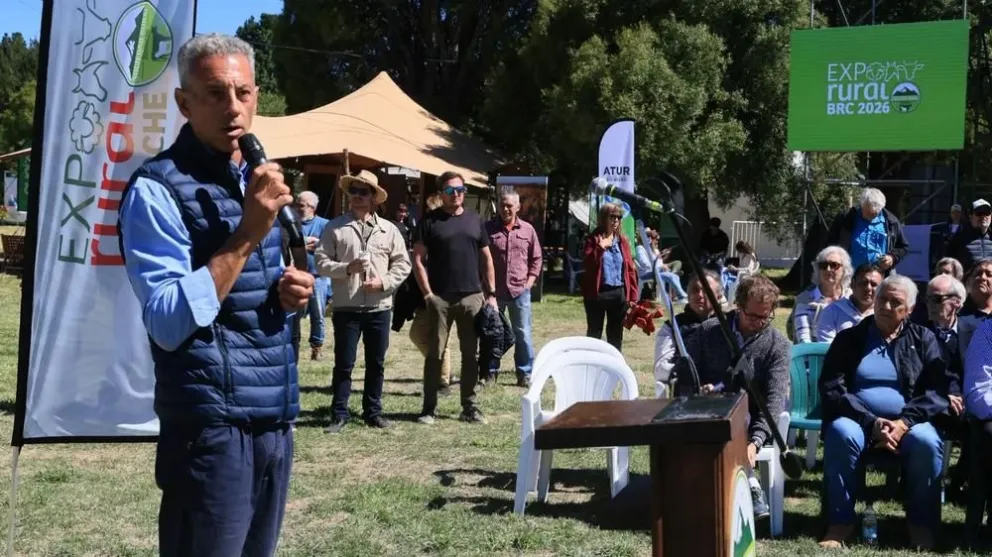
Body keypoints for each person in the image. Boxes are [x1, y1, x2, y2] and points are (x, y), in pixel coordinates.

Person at [118, 34, 314, 557]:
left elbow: (244, 293)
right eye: (215, 93)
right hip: (210, 430)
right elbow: (167, 321)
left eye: (243, 93)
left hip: (273, 416)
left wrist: (287, 293)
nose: (233, 107)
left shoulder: (254, 181)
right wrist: (248, 232)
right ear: (184, 104)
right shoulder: (156, 189)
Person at [818, 274, 952, 550]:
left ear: (910, 309)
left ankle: (920, 525)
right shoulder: (850, 338)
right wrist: (871, 423)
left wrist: (903, 423)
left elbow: (936, 391)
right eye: (882, 299)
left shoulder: (923, 339)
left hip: (909, 422)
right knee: (841, 433)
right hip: (857, 419)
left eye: (895, 302)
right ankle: (840, 522)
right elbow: (832, 388)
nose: (885, 306)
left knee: (927, 442)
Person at [674, 274, 791, 520]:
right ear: (738, 306)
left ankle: (739, 489)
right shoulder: (709, 331)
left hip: (751, 419)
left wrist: (756, 441)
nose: (759, 323)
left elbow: (774, 400)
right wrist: (699, 389)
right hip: (707, 411)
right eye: (752, 316)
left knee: (739, 416)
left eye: (765, 317)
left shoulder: (777, 346)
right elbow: (685, 375)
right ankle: (751, 486)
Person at [315, 170, 411, 433]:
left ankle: (373, 412)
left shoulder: (389, 230)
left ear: (374, 198)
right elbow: (321, 263)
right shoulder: (334, 227)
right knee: (344, 363)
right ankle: (339, 414)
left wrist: (384, 283)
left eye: (363, 192)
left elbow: (403, 264)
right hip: (346, 306)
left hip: (379, 307)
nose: (357, 196)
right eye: (353, 191)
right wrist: (347, 268)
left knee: (376, 363)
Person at [413, 171, 497, 425]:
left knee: (471, 355)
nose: (456, 194)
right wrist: (428, 295)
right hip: (440, 299)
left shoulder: (475, 220)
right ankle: (429, 408)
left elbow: (486, 258)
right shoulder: (429, 222)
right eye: (450, 190)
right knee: (435, 354)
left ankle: (469, 407)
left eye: (460, 189)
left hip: (472, 298)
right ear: (441, 194)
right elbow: (418, 260)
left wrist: (491, 294)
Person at [398, 194, 456, 394]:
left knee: (441, 338)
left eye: (433, 210)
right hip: (427, 294)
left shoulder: (448, 234)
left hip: (445, 293)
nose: (429, 215)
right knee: (417, 334)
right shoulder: (426, 232)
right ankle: (442, 369)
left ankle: (443, 382)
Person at [485, 191, 543, 387]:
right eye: (502, 205)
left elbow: (536, 258)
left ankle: (524, 373)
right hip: (494, 292)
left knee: (523, 333)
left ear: (518, 207)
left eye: (510, 205)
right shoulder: (488, 229)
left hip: (520, 291)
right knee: (492, 332)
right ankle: (490, 371)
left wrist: (529, 282)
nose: (505, 209)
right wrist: (486, 288)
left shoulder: (528, 230)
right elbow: (480, 259)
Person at [653, 270, 724, 397]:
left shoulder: (728, 325)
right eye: (695, 290)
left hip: (723, 394)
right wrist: (688, 375)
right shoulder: (673, 326)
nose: (699, 295)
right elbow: (660, 369)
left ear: (718, 296)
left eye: (706, 290)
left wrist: (717, 386)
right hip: (686, 396)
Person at [581, 203, 638, 351]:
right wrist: (600, 247)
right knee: (594, 333)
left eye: (618, 217)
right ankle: (591, 362)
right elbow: (587, 264)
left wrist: (632, 296)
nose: (616, 220)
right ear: (603, 218)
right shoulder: (593, 240)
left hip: (618, 294)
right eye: (612, 217)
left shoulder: (622, 241)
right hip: (597, 294)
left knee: (616, 335)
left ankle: (615, 362)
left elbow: (630, 269)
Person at [826, 187, 908, 274]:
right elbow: (831, 243)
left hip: (880, 275)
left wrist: (892, 257)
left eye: (875, 214)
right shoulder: (846, 218)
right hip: (850, 274)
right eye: (868, 212)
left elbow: (903, 247)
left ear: (881, 208)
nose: (871, 216)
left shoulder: (891, 222)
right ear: (861, 206)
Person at [788, 246, 853, 343]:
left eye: (834, 265)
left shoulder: (852, 298)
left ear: (844, 270)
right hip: (815, 351)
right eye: (823, 265)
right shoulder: (805, 299)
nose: (828, 269)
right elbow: (804, 340)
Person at [295, 190, 331, 360]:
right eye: (297, 204)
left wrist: (304, 244)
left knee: (318, 315)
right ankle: (293, 345)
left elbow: (327, 247)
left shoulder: (325, 225)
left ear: (312, 207)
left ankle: (316, 348)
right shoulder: (292, 223)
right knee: (293, 315)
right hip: (296, 275)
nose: (297, 208)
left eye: (301, 205)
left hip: (318, 277)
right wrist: (306, 243)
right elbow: (286, 242)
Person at [815, 264, 881, 343]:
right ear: (852, 284)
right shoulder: (832, 311)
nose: (868, 288)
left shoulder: (884, 314)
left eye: (874, 284)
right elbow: (826, 346)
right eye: (863, 283)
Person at [634, 228, 687, 303]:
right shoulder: (640, 248)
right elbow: (645, 264)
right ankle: (681, 296)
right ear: (648, 239)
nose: (656, 241)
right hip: (647, 272)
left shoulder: (654, 249)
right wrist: (660, 267)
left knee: (677, 265)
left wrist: (663, 261)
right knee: (671, 276)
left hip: (658, 271)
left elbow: (660, 262)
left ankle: (673, 274)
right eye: (655, 239)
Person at [947, 198, 992, 273]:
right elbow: (948, 266)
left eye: (987, 213)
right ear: (970, 216)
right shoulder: (959, 239)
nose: (983, 216)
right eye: (979, 213)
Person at [958, 258, 992, 355]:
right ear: (969, 281)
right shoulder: (957, 316)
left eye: (989, 275)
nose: (983, 278)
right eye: (978, 274)